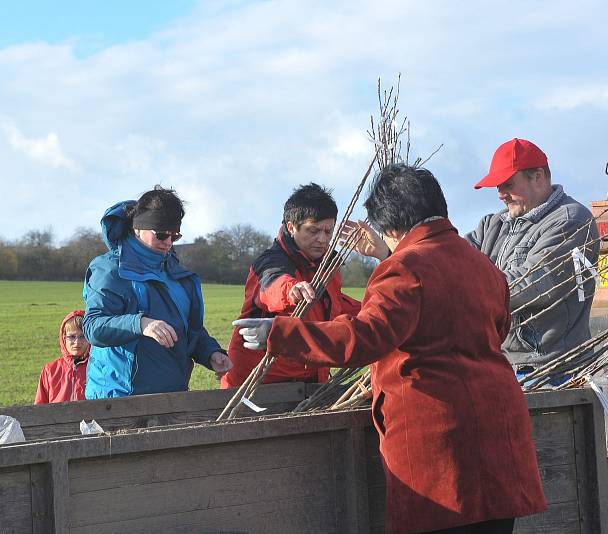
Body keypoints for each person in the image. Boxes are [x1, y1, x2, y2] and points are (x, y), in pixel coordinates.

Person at [235, 164, 546, 533]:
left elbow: (364, 338)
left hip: (441, 445)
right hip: (499, 432)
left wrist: (281, 334)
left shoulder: (404, 268)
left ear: (393, 225)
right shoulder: (481, 265)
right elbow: (498, 329)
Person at [82, 186, 233, 399]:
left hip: (172, 398)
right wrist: (140, 324)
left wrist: (211, 353)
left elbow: (189, 330)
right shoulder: (109, 269)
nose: (168, 243)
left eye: (175, 236)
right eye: (161, 235)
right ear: (138, 229)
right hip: (118, 398)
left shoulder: (176, 273)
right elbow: (93, 327)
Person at [464, 138, 599, 374]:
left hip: (550, 370)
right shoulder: (493, 225)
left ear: (538, 176)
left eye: (507, 184)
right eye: (497, 187)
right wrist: (393, 255)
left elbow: (529, 283)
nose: (500, 194)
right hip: (502, 365)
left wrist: (459, 289)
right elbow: (449, 259)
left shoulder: (571, 221)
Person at [221, 183, 361, 388]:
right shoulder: (269, 262)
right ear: (291, 227)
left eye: (328, 231)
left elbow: (334, 304)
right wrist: (293, 291)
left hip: (309, 377)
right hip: (259, 382)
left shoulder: (328, 266)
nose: (322, 239)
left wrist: (378, 311)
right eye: (313, 230)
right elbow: (272, 285)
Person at [35, 310, 90, 404]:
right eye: (72, 336)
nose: (77, 342)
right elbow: (39, 406)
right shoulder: (50, 370)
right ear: (64, 337)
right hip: (57, 418)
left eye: (82, 336)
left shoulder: (96, 368)